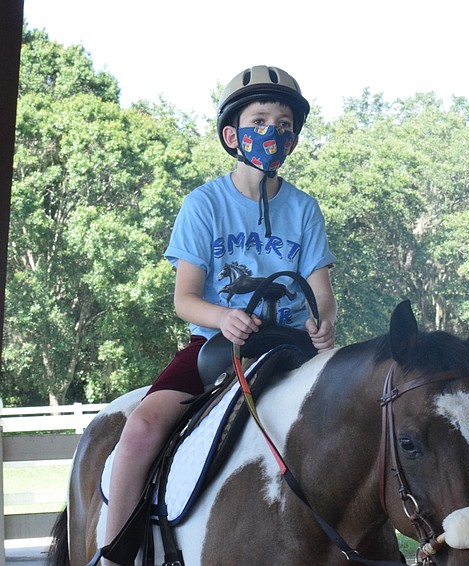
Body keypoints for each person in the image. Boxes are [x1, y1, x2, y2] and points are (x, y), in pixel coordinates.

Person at [102, 65, 338, 565]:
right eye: (260, 120)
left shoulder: (305, 209)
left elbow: (322, 292)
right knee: (143, 425)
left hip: (291, 349)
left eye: (283, 124)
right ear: (233, 134)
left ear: (293, 140)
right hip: (216, 346)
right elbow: (184, 299)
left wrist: (322, 323)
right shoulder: (203, 205)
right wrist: (224, 317)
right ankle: (114, 552)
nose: (272, 132)